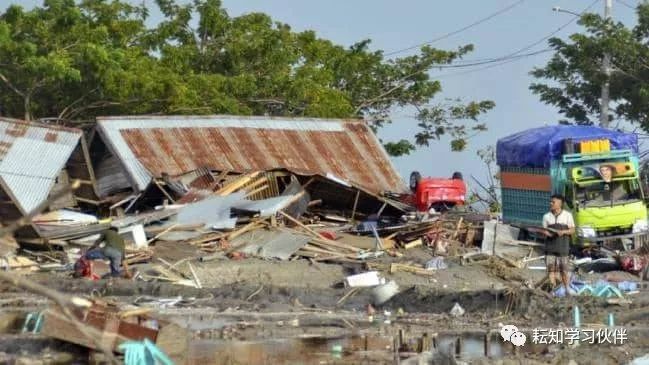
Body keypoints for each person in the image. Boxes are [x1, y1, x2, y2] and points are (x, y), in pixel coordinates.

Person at [542, 194, 576, 295]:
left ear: (560, 204)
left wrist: (563, 232)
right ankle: (553, 292)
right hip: (550, 249)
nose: (551, 203)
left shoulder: (567, 215)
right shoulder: (546, 217)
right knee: (550, 271)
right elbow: (544, 232)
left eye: (553, 202)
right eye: (550, 202)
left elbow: (573, 230)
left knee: (564, 271)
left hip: (563, 248)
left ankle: (567, 290)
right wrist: (546, 233)